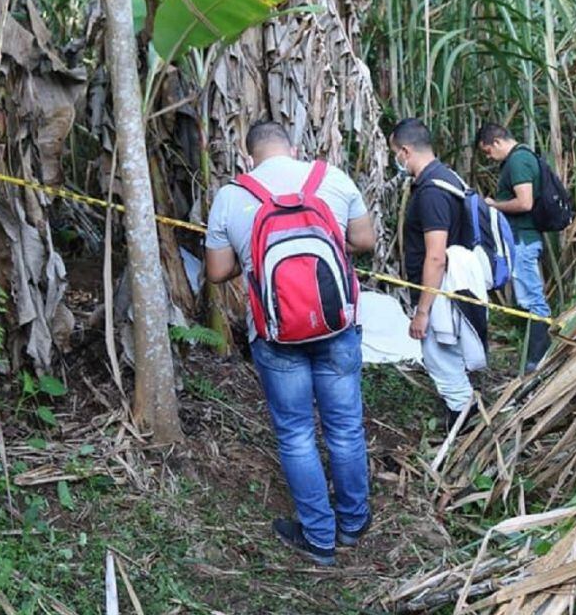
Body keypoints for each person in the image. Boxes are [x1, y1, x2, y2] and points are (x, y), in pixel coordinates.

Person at [204, 120, 376, 567]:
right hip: (337, 327)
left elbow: (217, 272)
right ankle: (353, 524)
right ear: (294, 149)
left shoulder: (231, 195)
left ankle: (319, 538)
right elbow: (365, 240)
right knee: (345, 428)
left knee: (297, 434)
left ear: (249, 156)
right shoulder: (331, 179)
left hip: (276, 335)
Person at [389, 118, 487, 435]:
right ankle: (466, 410)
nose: (397, 159)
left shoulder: (432, 192)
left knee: (439, 355)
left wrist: (422, 311)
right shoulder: (449, 178)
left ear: (405, 150)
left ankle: (463, 418)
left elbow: (435, 255)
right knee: (449, 351)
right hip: (451, 285)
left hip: (440, 287)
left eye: (395, 153)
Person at [474, 122, 551, 372]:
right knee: (528, 295)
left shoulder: (518, 161)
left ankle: (539, 357)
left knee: (532, 298)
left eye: (487, 151)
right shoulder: (521, 158)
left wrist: (494, 205)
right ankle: (537, 354)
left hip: (524, 241)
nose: (489, 157)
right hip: (523, 240)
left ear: (496, 142)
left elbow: (525, 202)